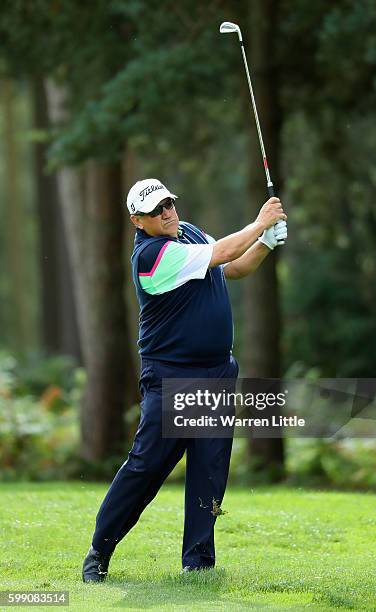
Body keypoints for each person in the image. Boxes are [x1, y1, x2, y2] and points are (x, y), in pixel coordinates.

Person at [82, 178, 287, 582]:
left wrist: (266, 243)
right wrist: (260, 223)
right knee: (146, 470)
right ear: (137, 221)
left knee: (209, 472)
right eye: (156, 210)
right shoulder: (151, 256)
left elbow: (233, 266)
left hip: (215, 374)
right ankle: (99, 551)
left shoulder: (188, 231)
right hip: (172, 377)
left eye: (169, 203)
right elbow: (223, 251)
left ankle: (198, 565)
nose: (167, 212)